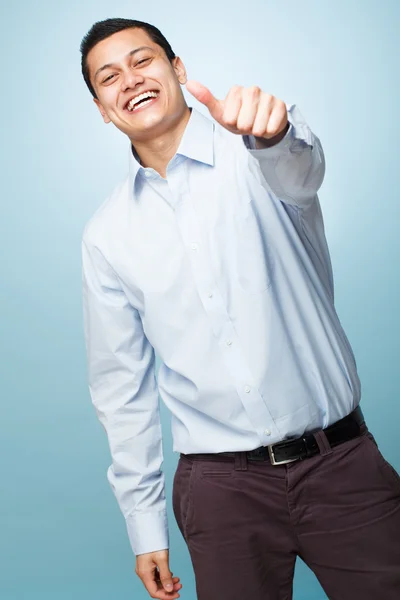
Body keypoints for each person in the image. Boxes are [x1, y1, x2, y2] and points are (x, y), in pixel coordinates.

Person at [80, 17, 400, 600]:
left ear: (177, 70)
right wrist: (143, 525)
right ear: (102, 108)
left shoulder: (257, 153)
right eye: (109, 77)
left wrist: (273, 136)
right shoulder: (106, 235)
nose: (130, 80)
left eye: (143, 61)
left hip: (342, 468)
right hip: (219, 492)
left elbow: (301, 170)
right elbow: (120, 391)